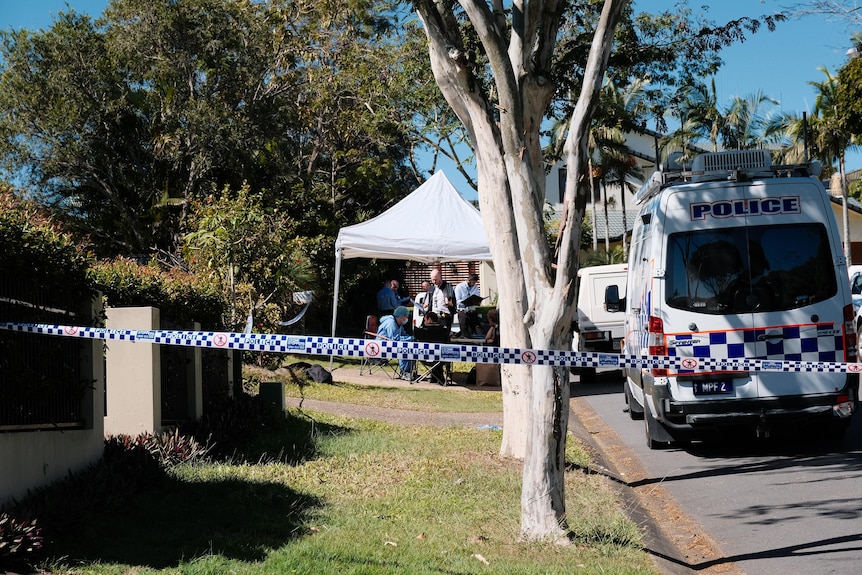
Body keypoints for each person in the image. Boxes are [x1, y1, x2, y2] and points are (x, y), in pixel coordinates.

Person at [376, 305, 414, 379]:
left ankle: (409, 371)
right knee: (404, 350)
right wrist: (409, 338)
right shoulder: (391, 323)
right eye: (406, 317)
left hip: (390, 344)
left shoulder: (399, 324)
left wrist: (410, 338)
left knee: (410, 349)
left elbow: (403, 334)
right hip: (382, 346)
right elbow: (394, 338)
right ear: (401, 317)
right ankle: (404, 372)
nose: (407, 319)